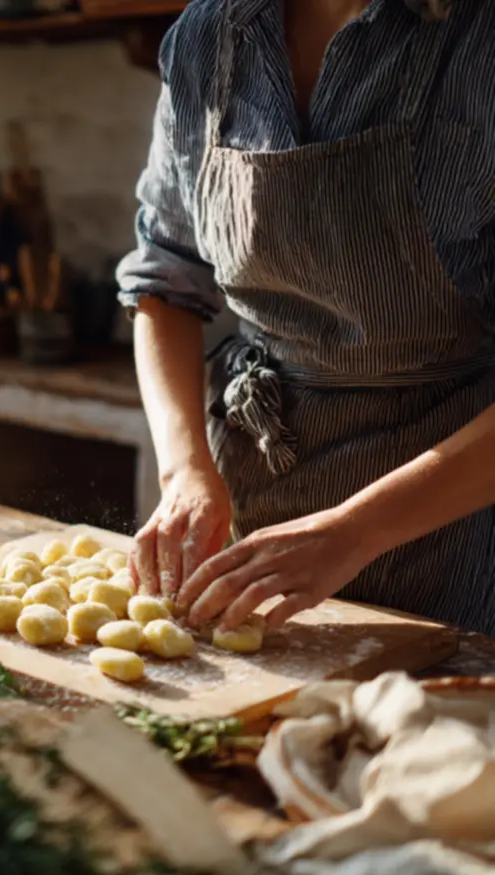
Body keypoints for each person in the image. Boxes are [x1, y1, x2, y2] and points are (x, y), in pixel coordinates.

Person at [116, 0, 495, 636]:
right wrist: (184, 471)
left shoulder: (477, 39)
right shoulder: (208, 37)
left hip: (452, 518)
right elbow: (165, 278)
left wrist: (356, 530)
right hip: (252, 481)